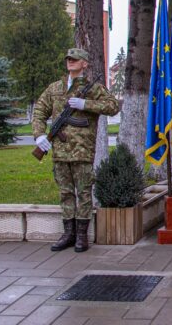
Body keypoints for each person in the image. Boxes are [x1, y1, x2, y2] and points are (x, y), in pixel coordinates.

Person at [32, 48, 120, 252]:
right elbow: (39, 111)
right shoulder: (55, 88)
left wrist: (86, 104)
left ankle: (82, 236)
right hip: (60, 151)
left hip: (82, 150)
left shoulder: (93, 88)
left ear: (84, 64)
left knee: (83, 192)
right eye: (68, 59)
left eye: (75, 59)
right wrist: (40, 135)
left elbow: (113, 106)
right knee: (65, 192)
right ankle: (68, 234)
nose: (70, 62)